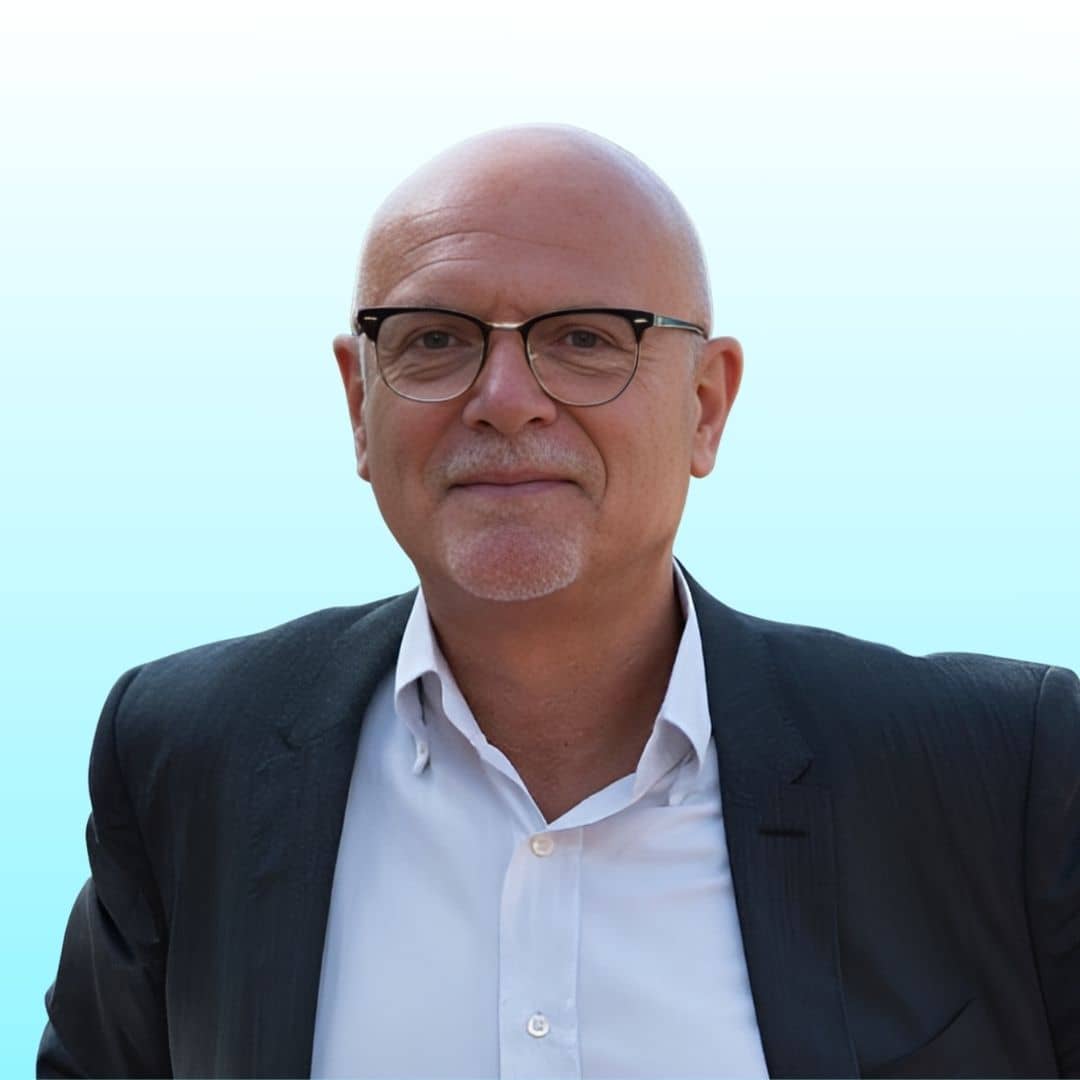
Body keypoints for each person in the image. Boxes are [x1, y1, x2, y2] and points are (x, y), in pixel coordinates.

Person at [38, 125, 1079, 1080]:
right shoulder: (193, 755)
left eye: (585, 338)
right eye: (434, 340)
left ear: (706, 406)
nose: (504, 400)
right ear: (359, 403)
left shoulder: (995, 773)